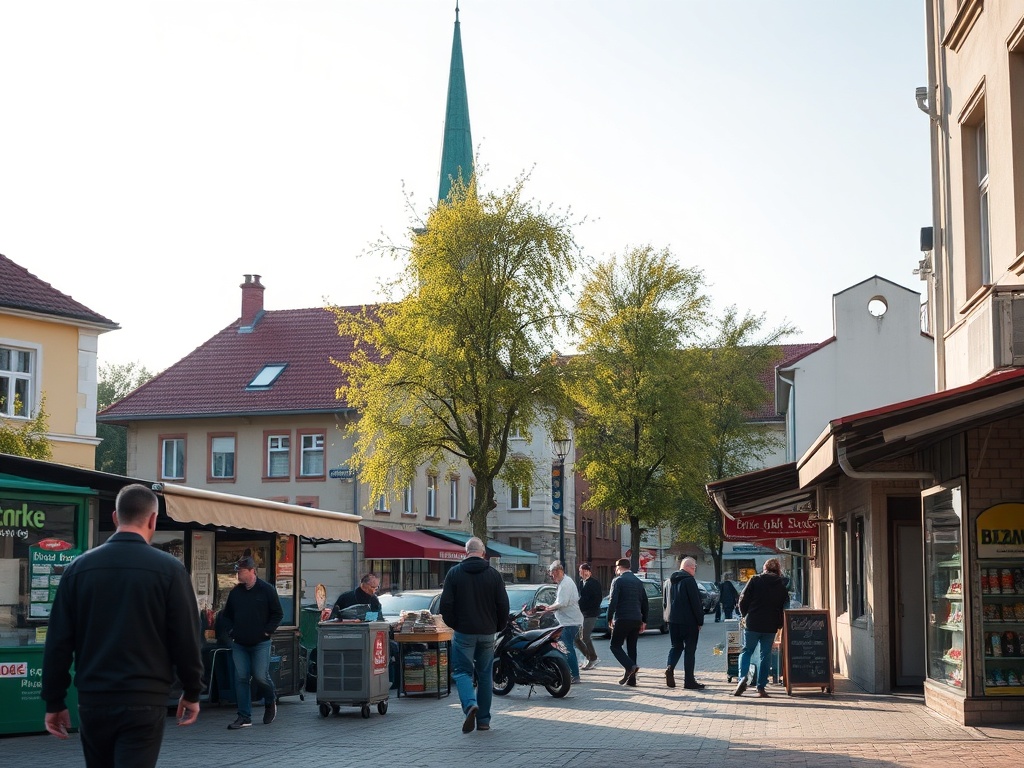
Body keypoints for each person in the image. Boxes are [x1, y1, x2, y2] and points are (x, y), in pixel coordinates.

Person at [41, 484, 203, 768]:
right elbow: (186, 638)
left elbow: (58, 643)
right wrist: (191, 691)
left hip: (94, 699)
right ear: (153, 519)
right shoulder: (170, 570)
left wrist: (54, 701)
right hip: (145, 698)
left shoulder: (78, 569)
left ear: (116, 517)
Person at [439, 536, 509, 734]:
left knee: (462, 672)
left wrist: (455, 624)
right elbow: (503, 604)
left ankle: (470, 705)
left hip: (464, 632)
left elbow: (445, 605)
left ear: (465, 552)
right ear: (483, 553)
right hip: (487, 632)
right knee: (486, 675)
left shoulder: (454, 574)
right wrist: (498, 626)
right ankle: (484, 721)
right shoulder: (494, 575)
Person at [219, 554, 284, 729]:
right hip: (239, 643)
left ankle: (270, 701)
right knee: (241, 678)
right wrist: (231, 631)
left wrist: (266, 632)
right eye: (237, 571)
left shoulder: (266, 590)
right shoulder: (236, 593)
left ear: (251, 571)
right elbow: (226, 616)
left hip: (260, 643)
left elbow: (278, 613)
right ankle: (244, 716)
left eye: (240, 571)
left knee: (261, 676)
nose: (238, 575)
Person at [733, 558, 790, 698]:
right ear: (778, 570)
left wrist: (744, 614)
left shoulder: (755, 580)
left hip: (753, 622)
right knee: (766, 655)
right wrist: (780, 623)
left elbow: (742, 598)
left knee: (747, 651)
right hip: (770, 625)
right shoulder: (782, 584)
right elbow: (785, 606)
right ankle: (761, 687)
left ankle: (742, 678)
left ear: (764, 568)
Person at [663, 556, 705, 690]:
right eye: (694, 568)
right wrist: (700, 621)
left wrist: (667, 619)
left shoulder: (669, 581)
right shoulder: (689, 580)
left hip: (673, 620)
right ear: (689, 567)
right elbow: (696, 603)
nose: (694, 570)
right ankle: (689, 681)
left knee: (676, 647)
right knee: (690, 651)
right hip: (689, 621)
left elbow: (665, 602)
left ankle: (670, 667)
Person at [538, 560, 584, 683]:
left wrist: (548, 609)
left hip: (570, 622)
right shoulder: (564, 582)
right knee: (566, 646)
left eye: (552, 574)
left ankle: (574, 674)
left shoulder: (565, 584)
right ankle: (570, 672)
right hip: (569, 621)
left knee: (566, 647)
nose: (551, 576)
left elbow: (562, 603)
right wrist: (549, 608)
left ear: (558, 571)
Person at [606, 558, 648, 686]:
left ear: (619, 568)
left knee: (614, 646)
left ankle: (630, 667)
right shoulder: (638, 581)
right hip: (636, 619)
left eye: (616, 568)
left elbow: (613, 601)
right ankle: (632, 680)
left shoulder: (618, 581)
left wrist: (609, 617)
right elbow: (645, 602)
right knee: (631, 648)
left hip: (623, 618)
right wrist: (644, 620)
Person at [576, 562, 602, 670]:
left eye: (582, 571)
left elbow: (597, 599)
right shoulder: (581, 583)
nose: (580, 573)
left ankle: (593, 658)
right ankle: (590, 658)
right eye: (579, 571)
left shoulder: (594, 583)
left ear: (588, 571)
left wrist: (585, 606)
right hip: (581, 614)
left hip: (591, 614)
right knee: (576, 638)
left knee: (585, 636)